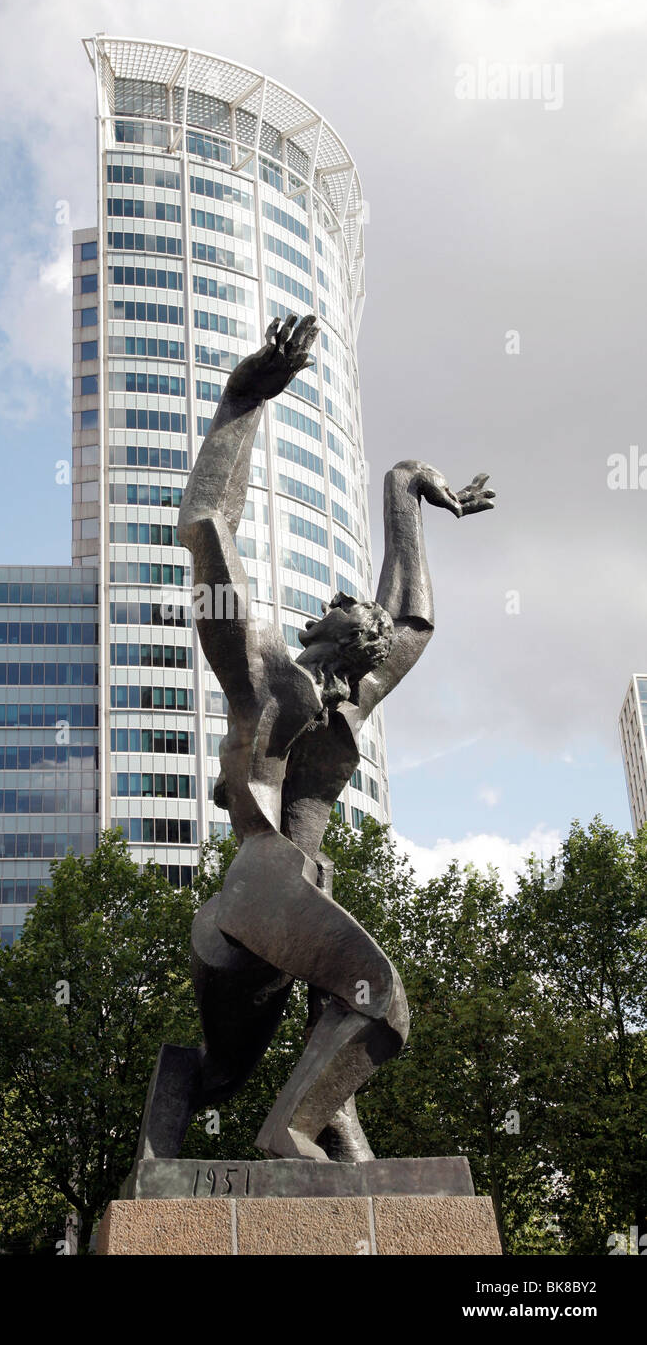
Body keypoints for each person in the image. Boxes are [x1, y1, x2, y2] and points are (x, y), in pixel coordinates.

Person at [137, 313, 495, 1164]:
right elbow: (208, 536)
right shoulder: (262, 673)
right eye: (351, 609)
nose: (362, 611)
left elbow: (414, 618)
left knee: (228, 1069)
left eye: (365, 615)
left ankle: (276, 1124)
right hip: (259, 891)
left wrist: (406, 487)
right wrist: (239, 402)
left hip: (287, 909)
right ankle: (288, 1132)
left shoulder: (351, 707)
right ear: (325, 630)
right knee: (380, 1002)